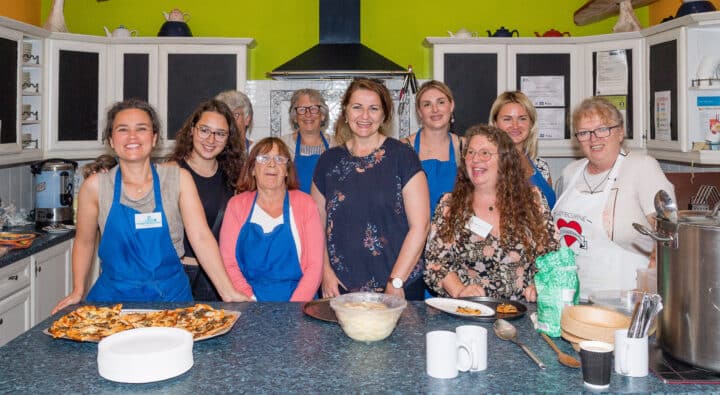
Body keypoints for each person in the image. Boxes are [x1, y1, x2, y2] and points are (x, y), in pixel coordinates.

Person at [52, 99, 248, 313]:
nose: (133, 137)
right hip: (112, 304)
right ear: (111, 139)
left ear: (154, 138)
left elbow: (201, 236)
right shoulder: (95, 187)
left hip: (172, 303)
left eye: (142, 129)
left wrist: (227, 291)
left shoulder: (178, 179)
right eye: (123, 129)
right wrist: (78, 290)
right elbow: (84, 242)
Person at [312, 78, 430, 301]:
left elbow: (421, 225)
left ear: (384, 115)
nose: (364, 116)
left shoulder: (403, 157)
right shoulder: (328, 161)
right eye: (357, 107)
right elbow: (317, 224)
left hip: (398, 286)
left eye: (373, 108)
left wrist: (396, 281)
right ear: (345, 112)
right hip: (340, 287)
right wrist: (325, 272)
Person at [553, 97, 674, 299]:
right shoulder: (570, 172)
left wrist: (648, 288)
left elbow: (668, 235)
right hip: (571, 297)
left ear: (620, 131)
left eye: (602, 129)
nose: (594, 139)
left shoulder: (642, 167)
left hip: (624, 299)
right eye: (584, 133)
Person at [424, 124, 557, 302]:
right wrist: (459, 290)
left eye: (485, 153)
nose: (475, 159)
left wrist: (541, 285)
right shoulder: (450, 205)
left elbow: (552, 254)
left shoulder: (533, 200)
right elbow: (436, 264)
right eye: (470, 153)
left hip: (523, 312)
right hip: (470, 312)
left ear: (504, 160)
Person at [219, 137, 323, 301]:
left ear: (287, 170)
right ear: (252, 169)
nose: (272, 164)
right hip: (247, 302)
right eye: (264, 158)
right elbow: (228, 262)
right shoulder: (236, 205)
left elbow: (315, 266)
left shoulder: (306, 204)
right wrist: (251, 301)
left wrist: (294, 308)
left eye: (279, 159)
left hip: (299, 302)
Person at [168, 99, 246, 301]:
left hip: (216, 277)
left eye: (220, 133)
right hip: (177, 275)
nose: (211, 139)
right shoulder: (170, 172)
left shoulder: (233, 175)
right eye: (204, 130)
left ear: (228, 138)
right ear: (192, 130)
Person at [401, 80, 464, 215]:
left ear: (451, 105)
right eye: (427, 104)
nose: (435, 109)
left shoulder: (465, 148)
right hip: (414, 233)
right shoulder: (403, 148)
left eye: (441, 102)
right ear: (419, 111)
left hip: (455, 233)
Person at [489, 91, 556, 208]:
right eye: (507, 119)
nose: (515, 126)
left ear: (531, 123)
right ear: (495, 124)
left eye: (522, 119)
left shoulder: (541, 166)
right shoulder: (486, 165)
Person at [280, 89, 336, 194]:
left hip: (326, 209)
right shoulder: (282, 145)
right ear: (295, 117)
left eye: (314, 109)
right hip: (294, 208)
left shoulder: (336, 145)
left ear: (322, 115)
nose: (308, 114)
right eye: (301, 109)